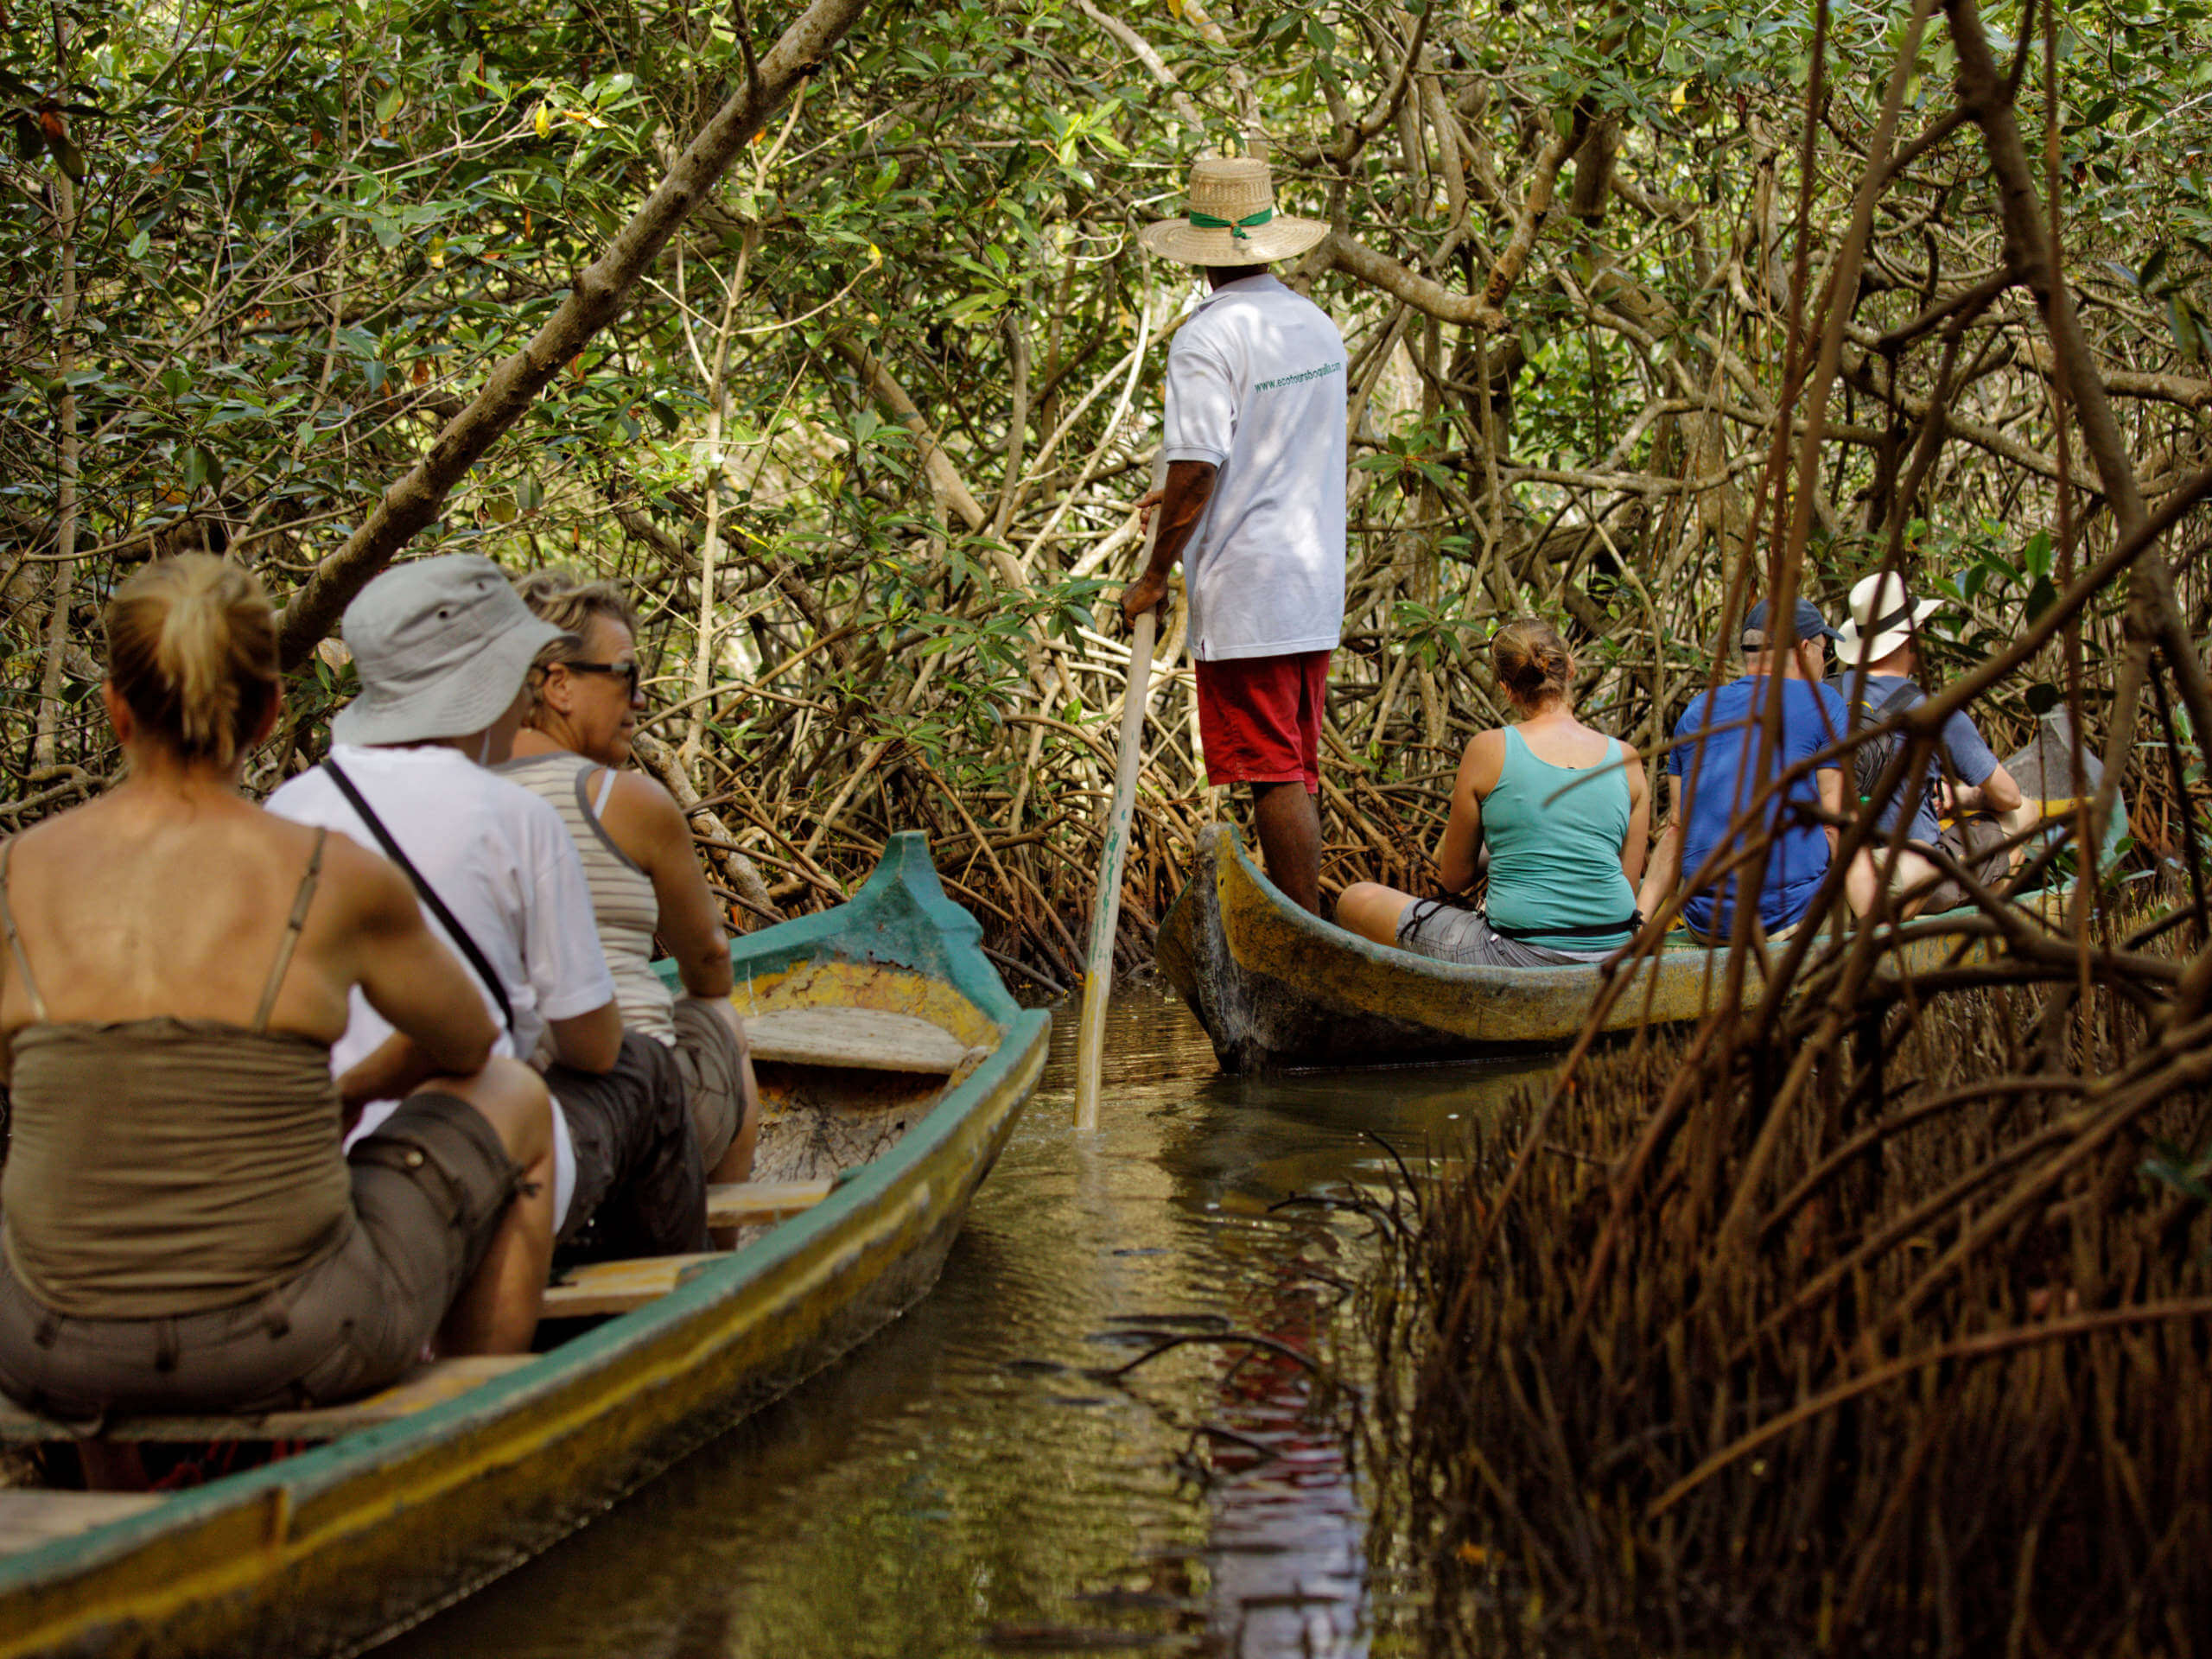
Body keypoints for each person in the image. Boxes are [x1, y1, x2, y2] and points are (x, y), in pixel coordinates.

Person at [0, 556, 553, 1419]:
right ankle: (474, 1436)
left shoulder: (15, 875)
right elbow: (469, 1045)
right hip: (289, 1341)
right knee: (513, 1090)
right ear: (266, 714)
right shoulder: (331, 876)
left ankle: (113, 1486)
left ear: (113, 711)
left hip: (40, 1350)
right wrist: (352, 1089)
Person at [268, 556, 708, 1263]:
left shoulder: (285, 809)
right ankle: (680, 1303)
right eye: (523, 671)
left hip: (315, 1159)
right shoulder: (512, 816)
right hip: (456, 1170)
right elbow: (592, 1047)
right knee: (641, 1070)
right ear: (489, 682)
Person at [1120, 155, 1346, 915]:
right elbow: (1259, 449)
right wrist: (1190, 495)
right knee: (1295, 765)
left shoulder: (1206, 339)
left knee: (1272, 769)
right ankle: (1308, 929)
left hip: (1249, 588)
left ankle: (1303, 937)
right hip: (1309, 585)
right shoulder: (1315, 327)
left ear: (1200, 253)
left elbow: (1199, 462)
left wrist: (1155, 576)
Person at [502, 570, 759, 1185]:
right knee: (720, 1016)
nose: (640, 701)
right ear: (558, 684)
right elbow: (709, 960)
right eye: (626, 677)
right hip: (639, 1107)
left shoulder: (455, 786)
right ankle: (718, 1246)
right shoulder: (632, 802)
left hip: (509, 1103)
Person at [1337, 619, 1649, 964]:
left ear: (1505, 688)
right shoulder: (1626, 758)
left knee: (1355, 899)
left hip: (1516, 954)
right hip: (1614, 953)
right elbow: (1627, 882)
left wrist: (1501, 851)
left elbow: (1453, 879)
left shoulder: (1488, 749)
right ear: (1570, 667)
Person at [1637, 596, 1852, 943]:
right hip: (1789, 922)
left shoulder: (1697, 711)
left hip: (1706, 926)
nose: (1824, 664)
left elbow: (1676, 828)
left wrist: (1639, 924)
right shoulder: (1825, 703)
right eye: (1824, 652)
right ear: (1804, 648)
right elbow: (1833, 822)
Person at [1831, 572, 2024, 917]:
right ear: (1912, 639)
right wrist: (1975, 797)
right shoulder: (1936, 713)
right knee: (2024, 815)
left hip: (1841, 869)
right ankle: (1981, 934)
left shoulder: (1822, 696)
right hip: (1912, 876)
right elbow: (2008, 796)